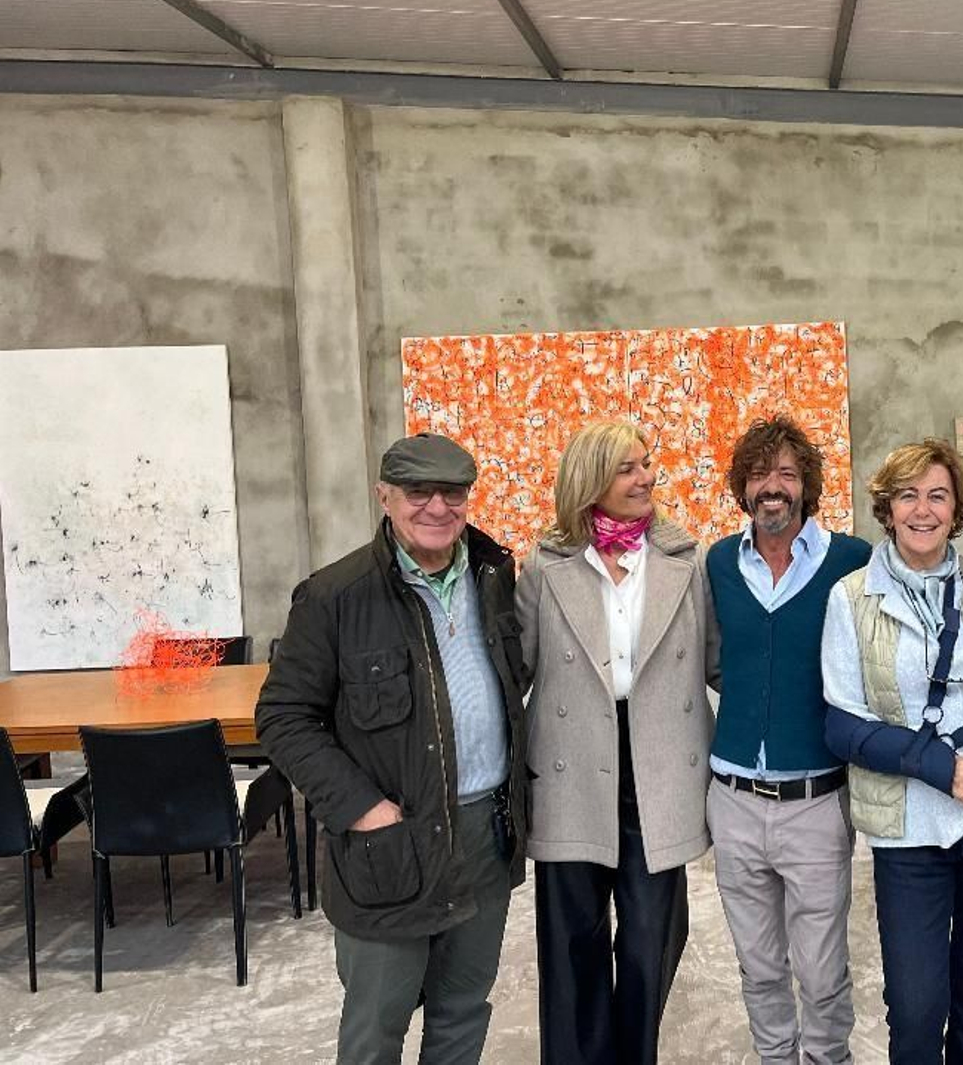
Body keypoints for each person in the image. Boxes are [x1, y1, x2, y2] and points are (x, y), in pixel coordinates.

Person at [256, 432, 528, 1065]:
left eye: (453, 492)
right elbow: (284, 716)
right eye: (418, 492)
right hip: (390, 847)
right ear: (385, 497)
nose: (437, 506)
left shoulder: (494, 578)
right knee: (377, 1027)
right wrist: (362, 809)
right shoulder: (334, 597)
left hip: (485, 837)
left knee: (463, 1013)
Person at [820, 438, 963, 1065]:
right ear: (886, 509)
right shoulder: (851, 597)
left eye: (937, 495)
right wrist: (942, 768)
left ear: (957, 507)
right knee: (917, 1008)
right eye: (907, 495)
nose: (923, 510)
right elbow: (842, 725)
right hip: (909, 827)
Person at [515, 420, 719, 1065]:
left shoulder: (685, 562)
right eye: (629, 467)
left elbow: (720, 664)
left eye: (648, 462)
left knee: (648, 941)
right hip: (572, 769)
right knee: (572, 941)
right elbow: (513, 672)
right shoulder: (544, 569)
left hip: (658, 766)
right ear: (590, 481)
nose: (647, 477)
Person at [705, 415, 872, 1065]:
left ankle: (828, 1059)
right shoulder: (719, 561)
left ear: (807, 484)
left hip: (816, 803)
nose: (771, 486)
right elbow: (718, 659)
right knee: (759, 967)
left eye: (786, 473)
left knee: (823, 971)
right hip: (735, 801)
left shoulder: (852, 560)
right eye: (759, 473)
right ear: (742, 487)